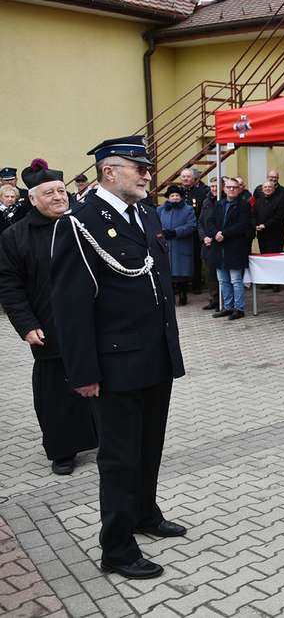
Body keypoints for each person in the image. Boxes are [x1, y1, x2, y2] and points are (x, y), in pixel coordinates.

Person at [50, 134, 187, 580]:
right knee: (119, 458)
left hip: (155, 356)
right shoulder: (80, 222)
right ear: (109, 171)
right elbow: (71, 307)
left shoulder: (144, 214)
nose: (148, 175)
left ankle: (145, 514)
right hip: (115, 364)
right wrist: (83, 371)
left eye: (147, 168)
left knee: (150, 447)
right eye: (139, 168)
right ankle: (117, 547)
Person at [0, 159, 98, 475]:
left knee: (101, 383)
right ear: (32, 199)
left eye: (61, 190)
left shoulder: (84, 223)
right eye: (49, 193)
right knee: (57, 393)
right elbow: (9, 286)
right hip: (48, 326)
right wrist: (26, 325)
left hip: (92, 322)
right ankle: (63, 450)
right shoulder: (15, 236)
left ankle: (105, 438)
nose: (58, 197)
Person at [205, 176, 252, 320]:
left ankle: (239, 308)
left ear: (239, 190)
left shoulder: (244, 205)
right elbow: (210, 221)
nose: (232, 189)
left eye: (235, 187)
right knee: (223, 280)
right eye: (229, 187)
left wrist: (224, 234)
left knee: (236, 280)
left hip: (235, 247)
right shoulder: (219, 204)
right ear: (224, 189)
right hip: (219, 248)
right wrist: (216, 233)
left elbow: (243, 225)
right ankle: (227, 306)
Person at [156, 185, 197, 306]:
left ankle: (183, 295)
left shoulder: (188, 209)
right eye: (172, 196)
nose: (174, 198)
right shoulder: (161, 210)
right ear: (168, 198)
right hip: (166, 245)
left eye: (177, 196)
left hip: (181, 244)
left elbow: (191, 226)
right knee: (167, 273)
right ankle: (170, 297)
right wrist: (162, 233)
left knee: (182, 272)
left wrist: (176, 232)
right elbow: (155, 225)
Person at [178, 168, 208, 295]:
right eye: (183, 176)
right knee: (181, 259)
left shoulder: (200, 193)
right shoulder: (176, 192)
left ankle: (197, 284)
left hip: (195, 232)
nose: (186, 179)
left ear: (193, 179)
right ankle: (181, 285)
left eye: (188, 177)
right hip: (180, 232)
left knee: (196, 258)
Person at [197, 177, 223, 309]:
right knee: (210, 274)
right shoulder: (206, 201)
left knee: (221, 275)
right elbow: (200, 221)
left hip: (220, 243)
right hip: (207, 245)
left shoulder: (225, 201)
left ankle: (224, 300)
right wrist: (204, 237)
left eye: (217, 186)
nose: (214, 189)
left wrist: (214, 237)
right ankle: (215, 298)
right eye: (212, 186)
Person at [252, 180, 284, 254]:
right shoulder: (258, 202)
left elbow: (279, 217)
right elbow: (253, 216)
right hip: (261, 235)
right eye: (265, 187)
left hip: (274, 236)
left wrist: (265, 225)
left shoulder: (279, 201)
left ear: (274, 189)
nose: (267, 189)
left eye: (269, 187)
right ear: (262, 189)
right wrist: (255, 226)